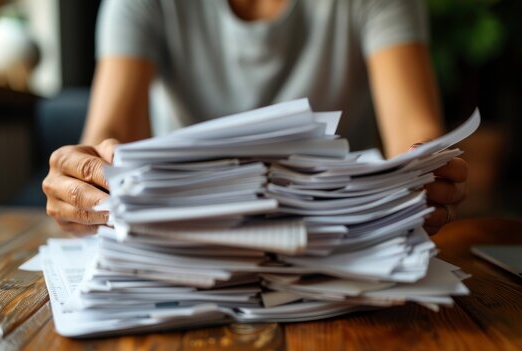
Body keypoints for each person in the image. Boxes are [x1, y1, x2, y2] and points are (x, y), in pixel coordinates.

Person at [42, 0, 468, 236]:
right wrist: (86, 183)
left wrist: (422, 172)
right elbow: (107, 136)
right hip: (180, 233)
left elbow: (415, 134)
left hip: (333, 234)